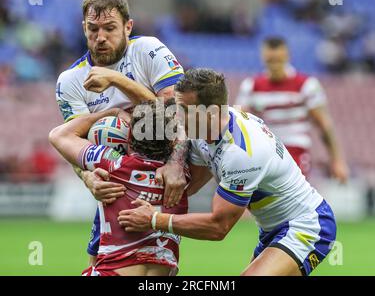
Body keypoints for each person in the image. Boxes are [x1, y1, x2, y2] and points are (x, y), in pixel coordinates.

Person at [118, 68, 337, 276]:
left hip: (307, 225)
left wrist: (155, 220)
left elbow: (218, 227)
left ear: (212, 112)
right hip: (273, 229)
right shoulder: (206, 126)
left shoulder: (241, 153)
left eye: (185, 109)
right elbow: (187, 188)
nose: (178, 116)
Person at [55, 0, 188, 265]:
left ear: (128, 26)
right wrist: (87, 178)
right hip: (116, 178)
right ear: (84, 28)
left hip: (162, 173)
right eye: (93, 29)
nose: (100, 37)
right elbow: (73, 141)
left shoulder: (149, 50)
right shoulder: (70, 80)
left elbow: (178, 114)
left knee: (151, 266)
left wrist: (116, 80)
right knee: (101, 263)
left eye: (110, 28)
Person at [49, 100, 188, 276]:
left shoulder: (112, 163)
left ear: (129, 137)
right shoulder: (183, 175)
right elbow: (193, 135)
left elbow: (58, 135)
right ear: (173, 142)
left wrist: (112, 112)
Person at [235, 37, 348, 180]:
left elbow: (324, 124)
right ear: (263, 57)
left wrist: (337, 160)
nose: (275, 65)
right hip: (265, 152)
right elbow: (238, 122)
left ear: (287, 56)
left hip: (296, 152)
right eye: (271, 60)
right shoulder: (250, 86)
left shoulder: (307, 85)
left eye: (278, 60)